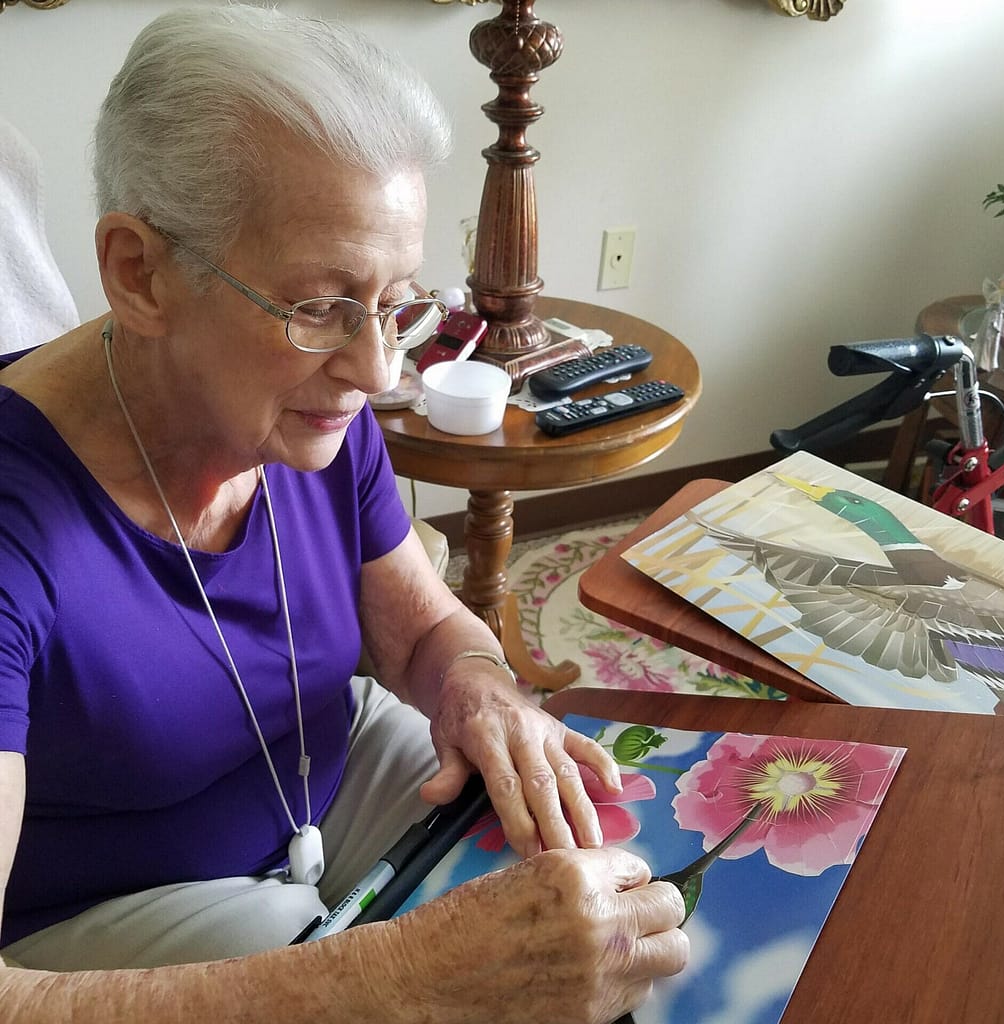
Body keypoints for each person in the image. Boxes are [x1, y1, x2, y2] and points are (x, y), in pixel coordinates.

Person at [0, 6, 689, 1021]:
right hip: (114, 906)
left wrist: (478, 684)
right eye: (319, 304)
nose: (377, 368)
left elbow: (415, 626)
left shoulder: (312, 403)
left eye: (397, 300)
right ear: (139, 271)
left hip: (331, 771)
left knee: (606, 865)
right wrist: (398, 979)